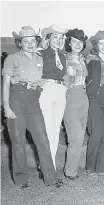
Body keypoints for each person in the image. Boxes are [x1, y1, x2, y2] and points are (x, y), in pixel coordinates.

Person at [2, 26, 62, 189]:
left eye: (32, 41)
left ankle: (51, 178)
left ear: (37, 42)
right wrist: (6, 107)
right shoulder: (12, 58)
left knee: (43, 139)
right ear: (19, 43)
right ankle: (21, 179)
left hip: (34, 101)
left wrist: (40, 83)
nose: (29, 44)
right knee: (18, 141)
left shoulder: (40, 58)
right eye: (25, 41)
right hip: (17, 99)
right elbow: (6, 84)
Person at [85, 30, 104, 177]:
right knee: (95, 133)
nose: (103, 46)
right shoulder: (90, 59)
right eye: (100, 43)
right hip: (95, 97)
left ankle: (100, 167)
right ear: (96, 45)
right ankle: (90, 167)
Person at [39, 24, 68, 168]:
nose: (58, 40)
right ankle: (46, 166)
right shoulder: (41, 54)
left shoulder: (63, 56)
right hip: (46, 90)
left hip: (60, 91)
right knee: (47, 127)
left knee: (55, 129)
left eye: (61, 37)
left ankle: (52, 166)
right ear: (48, 39)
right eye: (55, 37)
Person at [62, 28, 89, 180]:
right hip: (70, 98)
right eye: (74, 41)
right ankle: (70, 171)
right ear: (69, 43)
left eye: (80, 42)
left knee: (80, 136)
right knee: (76, 137)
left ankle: (72, 169)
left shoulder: (84, 59)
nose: (78, 44)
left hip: (83, 98)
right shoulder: (63, 58)